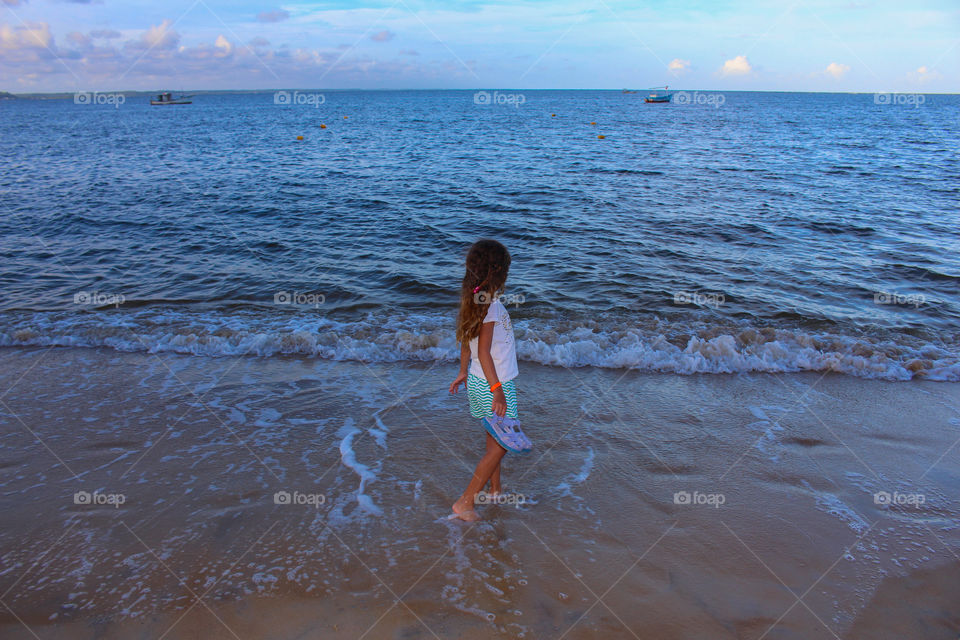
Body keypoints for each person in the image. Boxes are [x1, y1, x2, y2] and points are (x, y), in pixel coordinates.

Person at [448, 239, 526, 521]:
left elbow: (466, 341)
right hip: (496, 383)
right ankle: (465, 502)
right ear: (498, 272)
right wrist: (498, 391)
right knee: (503, 444)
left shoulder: (474, 299)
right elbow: (483, 350)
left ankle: (495, 490)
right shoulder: (490, 304)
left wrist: (462, 371)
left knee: (493, 437)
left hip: (477, 381)